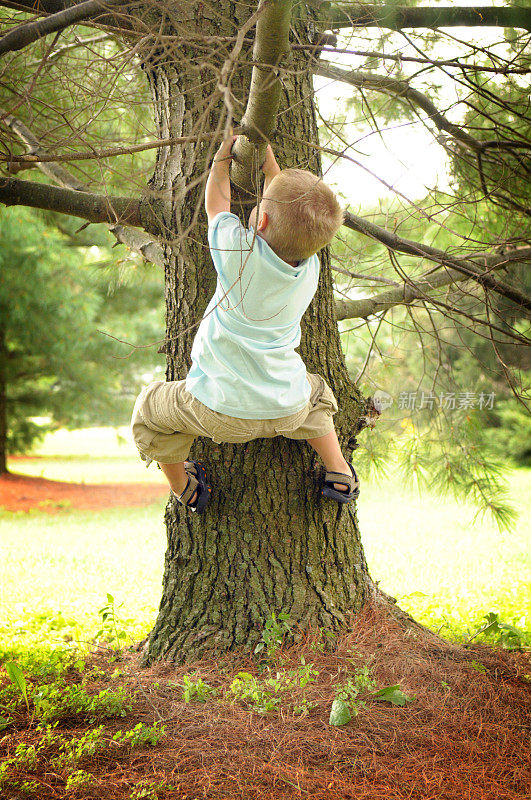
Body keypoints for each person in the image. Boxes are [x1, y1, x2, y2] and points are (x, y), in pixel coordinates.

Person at [131, 137, 360, 513]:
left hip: (222, 412)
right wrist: (275, 173)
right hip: (287, 407)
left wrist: (221, 163)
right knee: (318, 396)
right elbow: (284, 217)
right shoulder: (310, 269)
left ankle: (183, 487)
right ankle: (339, 471)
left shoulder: (238, 254)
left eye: (257, 208)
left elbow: (216, 207)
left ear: (261, 220)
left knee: (150, 411)